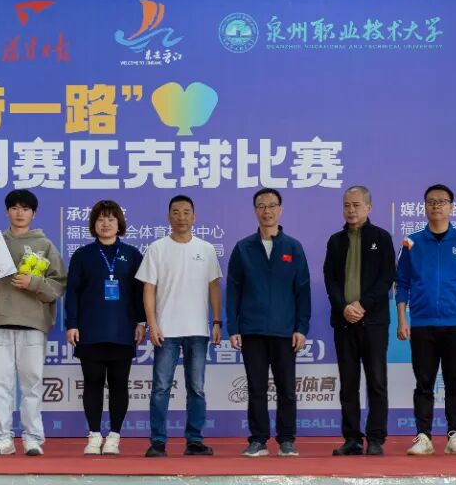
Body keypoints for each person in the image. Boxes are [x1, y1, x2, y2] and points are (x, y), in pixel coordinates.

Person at [0, 188, 66, 456]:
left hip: (33, 323)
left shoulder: (45, 245)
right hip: (0, 320)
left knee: (32, 384)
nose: (19, 213)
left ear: (33, 214)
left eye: (25, 208)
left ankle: (32, 438)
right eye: (14, 208)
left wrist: (33, 282)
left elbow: (58, 286)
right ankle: (1, 438)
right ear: (7, 212)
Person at [395, 183, 456, 456]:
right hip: (422, 323)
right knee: (424, 384)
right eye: (431, 201)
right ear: (424, 207)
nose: (436, 206)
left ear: (451, 207)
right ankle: (423, 436)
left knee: (455, 382)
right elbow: (402, 283)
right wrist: (402, 319)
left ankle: (455, 435)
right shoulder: (412, 242)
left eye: (442, 201)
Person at [226, 187, 311, 457]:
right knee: (256, 388)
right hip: (252, 330)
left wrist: (301, 328)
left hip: (285, 331)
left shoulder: (293, 247)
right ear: (255, 211)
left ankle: (287, 439)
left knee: (287, 388)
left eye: (272, 205)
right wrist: (233, 328)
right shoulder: (243, 248)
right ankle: (258, 439)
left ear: (280, 210)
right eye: (261, 206)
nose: (267, 211)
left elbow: (303, 291)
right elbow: (233, 290)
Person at [137, 195, 223, 458]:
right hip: (166, 331)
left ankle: (194, 440)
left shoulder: (206, 249)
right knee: (161, 388)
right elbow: (148, 289)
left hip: (198, 330)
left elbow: (214, 287)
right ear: (169, 216)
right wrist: (152, 324)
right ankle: (158, 441)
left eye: (186, 212)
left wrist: (217, 321)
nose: (181, 217)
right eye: (176, 212)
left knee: (196, 388)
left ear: (194, 217)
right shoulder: (157, 248)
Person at [65, 200, 145, 456]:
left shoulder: (132, 254)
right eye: (101, 219)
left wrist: (141, 322)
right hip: (90, 331)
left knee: (119, 384)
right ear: (94, 224)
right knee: (92, 383)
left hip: (123, 330)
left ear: (119, 223)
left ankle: (114, 436)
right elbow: (72, 292)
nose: (106, 223)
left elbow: (140, 293)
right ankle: (94, 435)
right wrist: (72, 324)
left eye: (111, 219)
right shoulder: (83, 255)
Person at [323, 185, 396, 456]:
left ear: (368, 207)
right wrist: (344, 307)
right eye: (347, 205)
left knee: (377, 381)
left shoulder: (381, 237)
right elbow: (330, 280)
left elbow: (387, 277)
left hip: (373, 322)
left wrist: (362, 305)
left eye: (356, 205)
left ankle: (376, 438)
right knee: (348, 383)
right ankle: (352, 438)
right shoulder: (335, 241)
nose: (351, 210)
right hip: (344, 322)